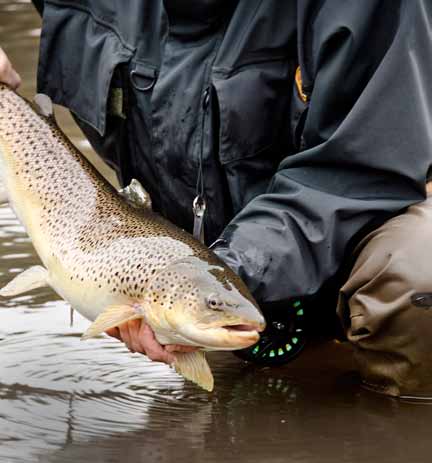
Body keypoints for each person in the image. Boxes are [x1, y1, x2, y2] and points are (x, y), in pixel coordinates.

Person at [2, 0, 432, 398]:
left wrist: (220, 277)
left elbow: (356, 173)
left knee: (421, 274)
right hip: (192, 264)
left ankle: (396, 453)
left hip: (355, 233)